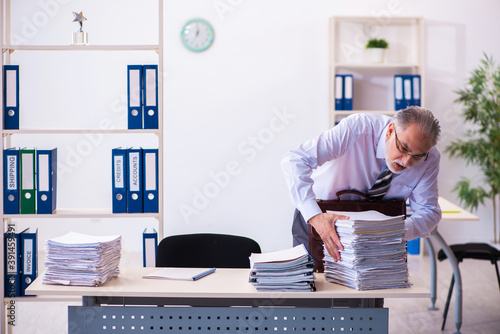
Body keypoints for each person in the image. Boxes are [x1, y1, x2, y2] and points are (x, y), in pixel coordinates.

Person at [281, 106, 442, 262]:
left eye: (417, 156)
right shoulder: (357, 128)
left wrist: (395, 231)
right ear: (391, 130)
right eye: (403, 148)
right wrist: (314, 216)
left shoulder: (430, 158)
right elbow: (295, 160)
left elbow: (429, 211)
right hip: (320, 219)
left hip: (380, 235)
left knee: (375, 287)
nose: (406, 161)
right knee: (314, 284)